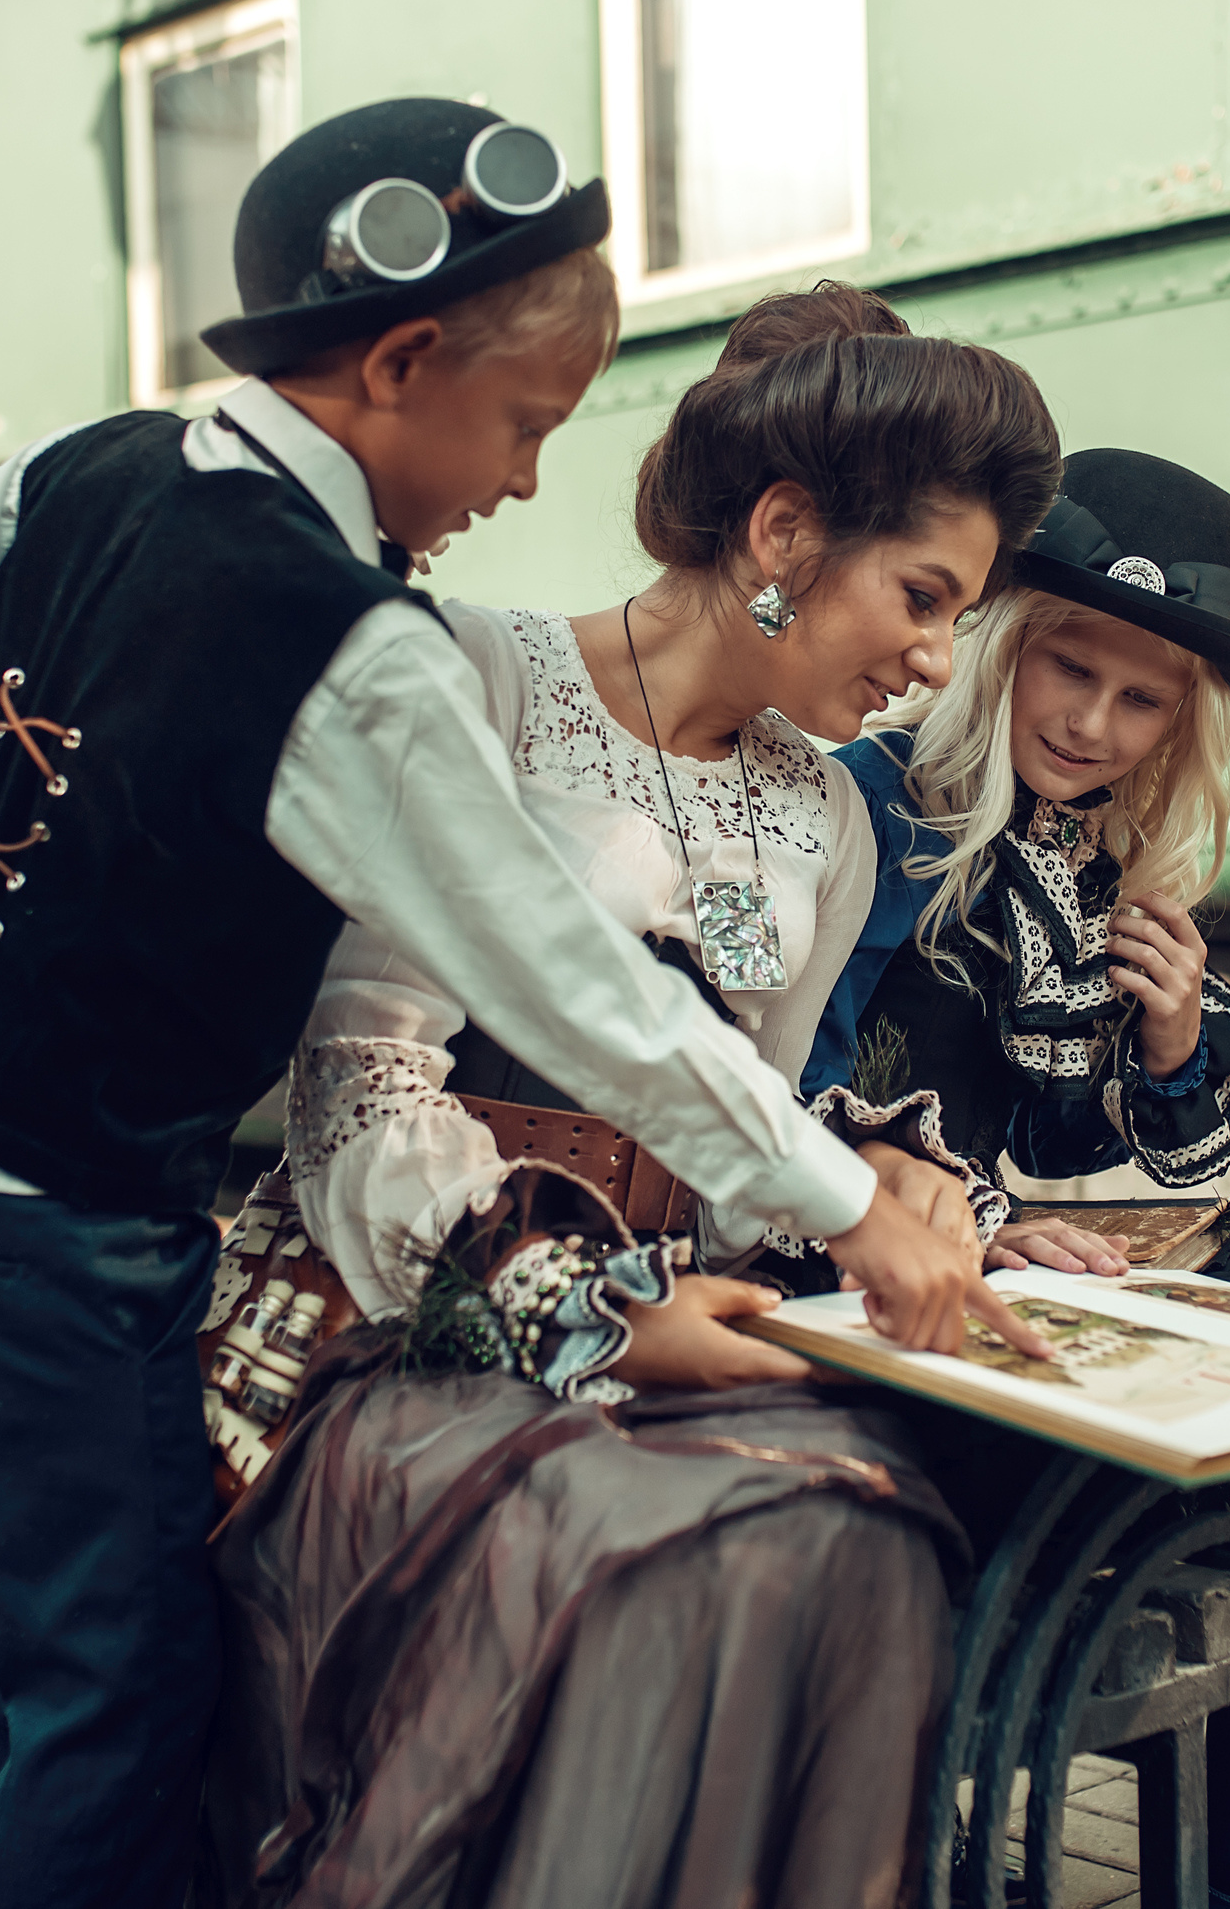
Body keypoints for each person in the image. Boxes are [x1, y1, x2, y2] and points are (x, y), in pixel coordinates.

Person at [0, 103, 1020, 1909]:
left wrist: (111, 666)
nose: (522, 483)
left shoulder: (104, 471)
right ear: (403, 361)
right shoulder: (361, 646)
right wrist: (843, 1212)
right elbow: (564, 976)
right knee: (121, 1681)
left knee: (55, 1649)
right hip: (57, 1187)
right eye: (522, 425)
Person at [200, 283, 1066, 1907]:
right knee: (673, 1547)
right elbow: (363, 1092)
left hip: (680, 1317)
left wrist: (899, 1179)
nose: (941, 663)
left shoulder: (828, 817)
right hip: (422, 1320)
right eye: (926, 596)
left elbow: (759, 1113)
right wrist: (582, 1314)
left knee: (864, 1534)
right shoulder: (482, 682)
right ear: (787, 529)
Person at [804, 449, 1230, 1909]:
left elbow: (1101, 1145)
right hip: (847, 1288)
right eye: (1068, 668)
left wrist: (1176, 1030)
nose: (1093, 722)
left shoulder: (1086, 864)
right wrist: (983, 1225)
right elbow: (789, 1080)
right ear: (1004, 640)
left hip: (982, 1281)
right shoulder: (874, 811)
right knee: (1213, 1474)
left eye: (1144, 702)